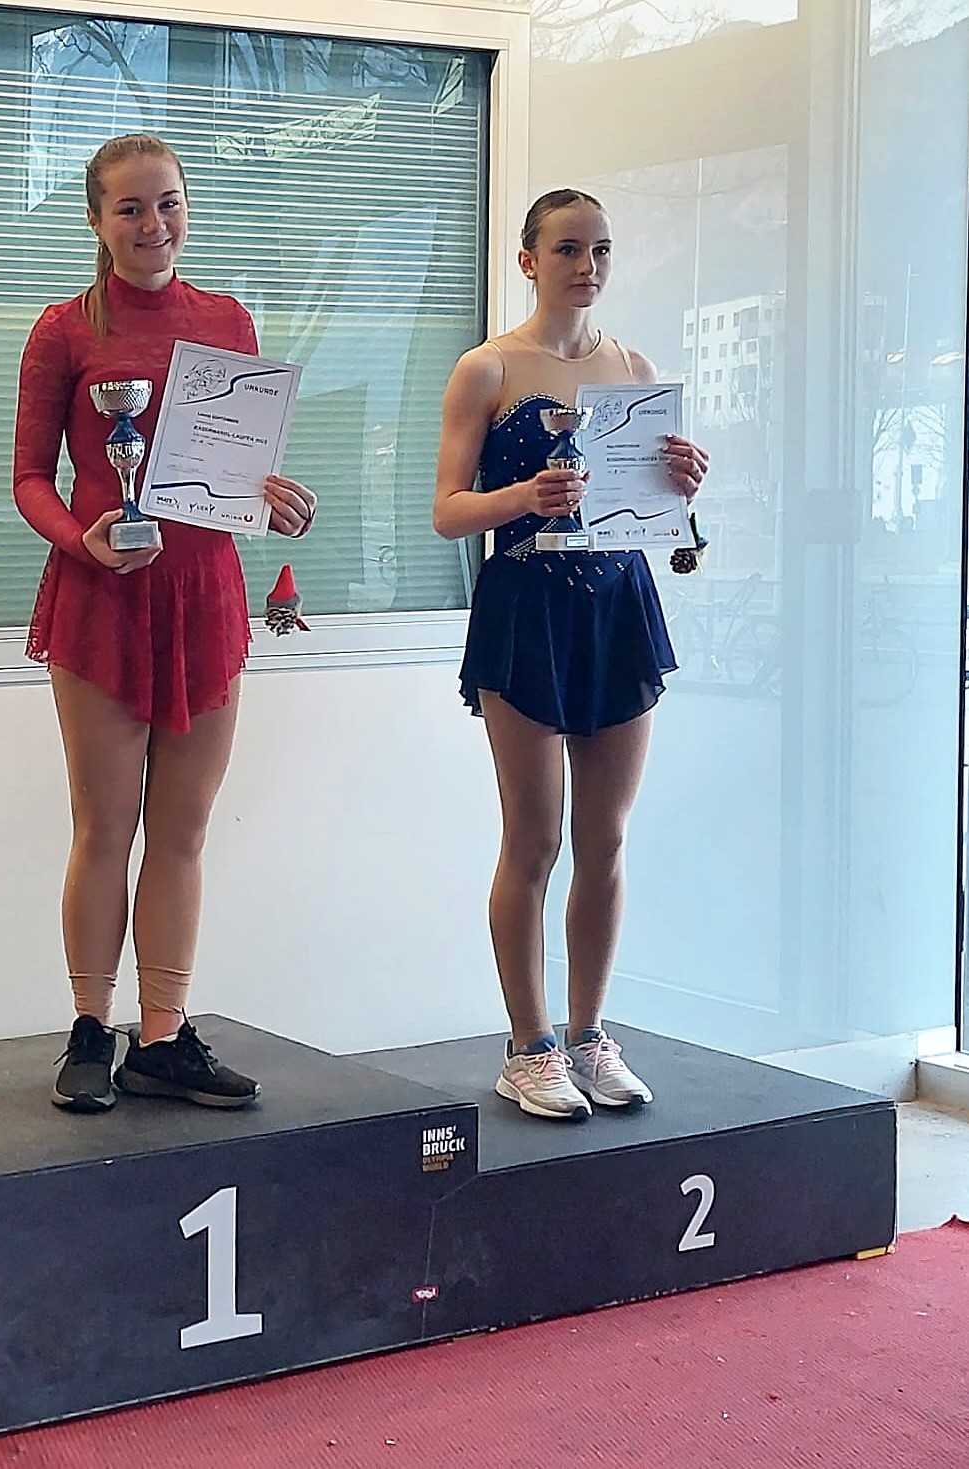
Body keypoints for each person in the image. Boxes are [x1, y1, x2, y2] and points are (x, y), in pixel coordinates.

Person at [13, 133, 317, 1114]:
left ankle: (162, 1035)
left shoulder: (228, 319)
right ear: (97, 221)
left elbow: (237, 465)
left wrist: (274, 501)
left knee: (181, 834)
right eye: (131, 208)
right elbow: (28, 478)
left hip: (205, 598)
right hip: (100, 597)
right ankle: (87, 1029)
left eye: (169, 203)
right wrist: (83, 538)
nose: (154, 224)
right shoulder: (63, 329)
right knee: (104, 828)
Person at [431, 189, 709, 1121]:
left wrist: (683, 485)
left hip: (619, 603)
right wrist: (525, 496)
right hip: (526, 606)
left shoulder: (634, 368)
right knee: (535, 837)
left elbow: (651, 512)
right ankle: (528, 1043)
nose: (586, 266)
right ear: (527, 260)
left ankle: (591, 1033)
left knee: (607, 836)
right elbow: (447, 511)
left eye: (600, 250)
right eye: (566, 249)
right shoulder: (487, 367)